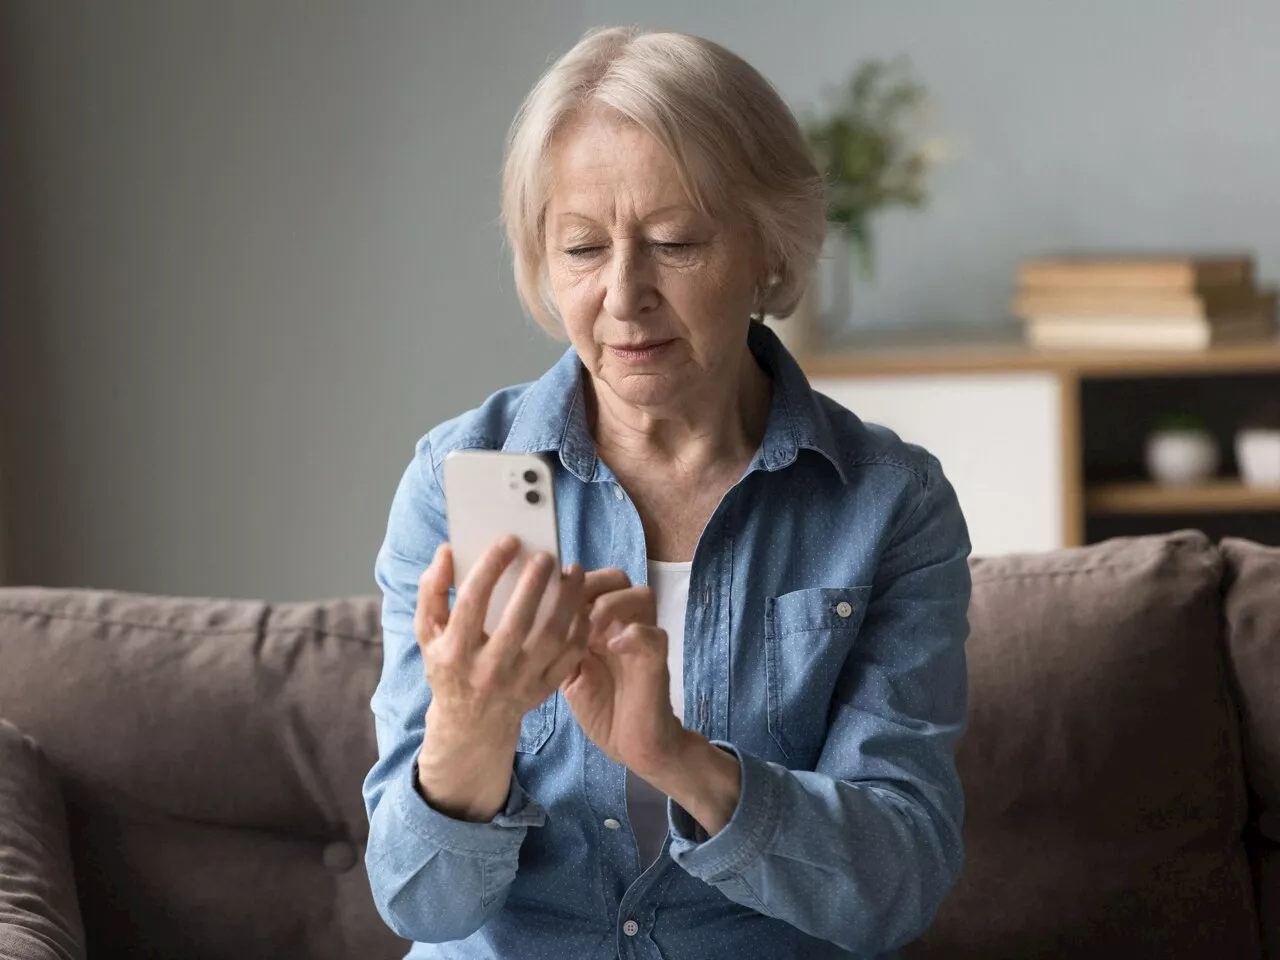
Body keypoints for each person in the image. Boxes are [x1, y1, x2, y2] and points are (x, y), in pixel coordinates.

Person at [364, 25, 971, 960]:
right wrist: (470, 727)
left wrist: (681, 761)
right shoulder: (454, 482)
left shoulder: (888, 503)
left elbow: (896, 885)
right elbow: (418, 903)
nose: (623, 293)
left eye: (675, 242)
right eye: (580, 248)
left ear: (771, 253)